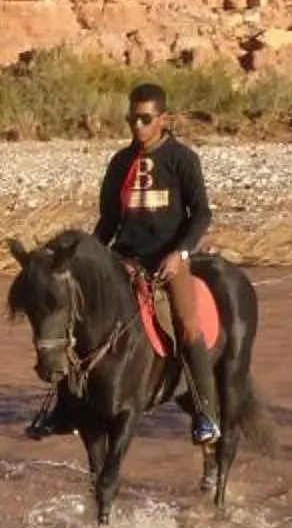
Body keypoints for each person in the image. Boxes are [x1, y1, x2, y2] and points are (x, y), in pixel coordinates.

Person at [32, 82, 220, 444]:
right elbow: (108, 220)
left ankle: (205, 413)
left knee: (186, 324)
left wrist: (180, 253)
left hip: (168, 261)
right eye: (131, 118)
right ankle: (63, 409)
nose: (137, 126)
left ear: (161, 119)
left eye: (145, 119)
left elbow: (201, 214)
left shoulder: (182, 159)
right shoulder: (120, 162)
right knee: (79, 322)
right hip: (124, 259)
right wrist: (87, 259)